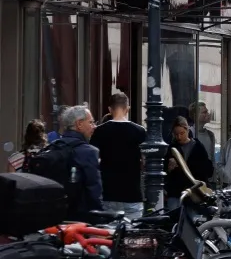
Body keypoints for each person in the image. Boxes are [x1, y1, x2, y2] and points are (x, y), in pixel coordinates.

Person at [29, 105, 104, 217]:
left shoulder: (51, 147)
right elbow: (94, 191)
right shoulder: (88, 152)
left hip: (50, 216)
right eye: (91, 122)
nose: (94, 126)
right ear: (79, 124)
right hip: (79, 218)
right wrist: (100, 217)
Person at [93, 91, 147, 219]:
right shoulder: (139, 131)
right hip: (132, 192)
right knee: (133, 235)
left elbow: (94, 160)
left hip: (109, 192)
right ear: (127, 109)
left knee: (109, 235)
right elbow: (145, 161)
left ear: (110, 109)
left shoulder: (100, 131)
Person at [164, 117, 211, 209]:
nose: (179, 137)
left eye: (182, 133)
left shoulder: (198, 147)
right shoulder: (172, 147)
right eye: (176, 134)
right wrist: (168, 167)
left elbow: (207, 170)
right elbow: (165, 170)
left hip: (194, 192)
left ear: (188, 130)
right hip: (175, 192)